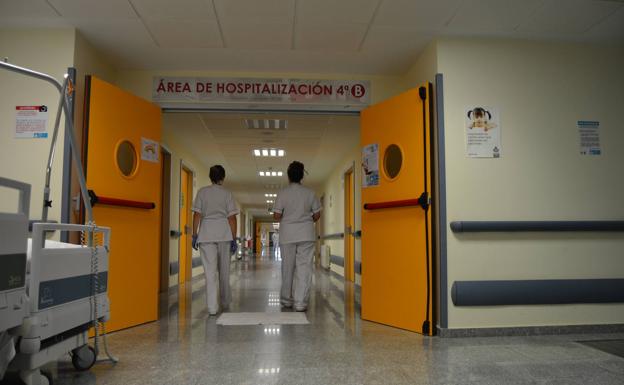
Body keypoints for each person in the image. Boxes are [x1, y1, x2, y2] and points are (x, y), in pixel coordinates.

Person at [273, 161, 321, 312]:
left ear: (288, 176)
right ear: (302, 176)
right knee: (304, 268)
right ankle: (300, 302)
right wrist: (306, 219)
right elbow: (317, 214)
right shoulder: (310, 193)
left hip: (287, 235)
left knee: (287, 268)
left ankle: (287, 300)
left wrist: (288, 216)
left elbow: (276, 215)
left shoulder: (283, 193)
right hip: (306, 234)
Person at [191, 165, 238, 316]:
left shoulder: (202, 192)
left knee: (209, 273)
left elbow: (197, 215)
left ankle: (212, 307)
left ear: (210, 176)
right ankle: (225, 302)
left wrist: (194, 234)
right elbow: (231, 218)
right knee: (224, 271)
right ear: (223, 178)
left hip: (206, 235)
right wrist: (234, 237)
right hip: (224, 235)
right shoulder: (227, 194)